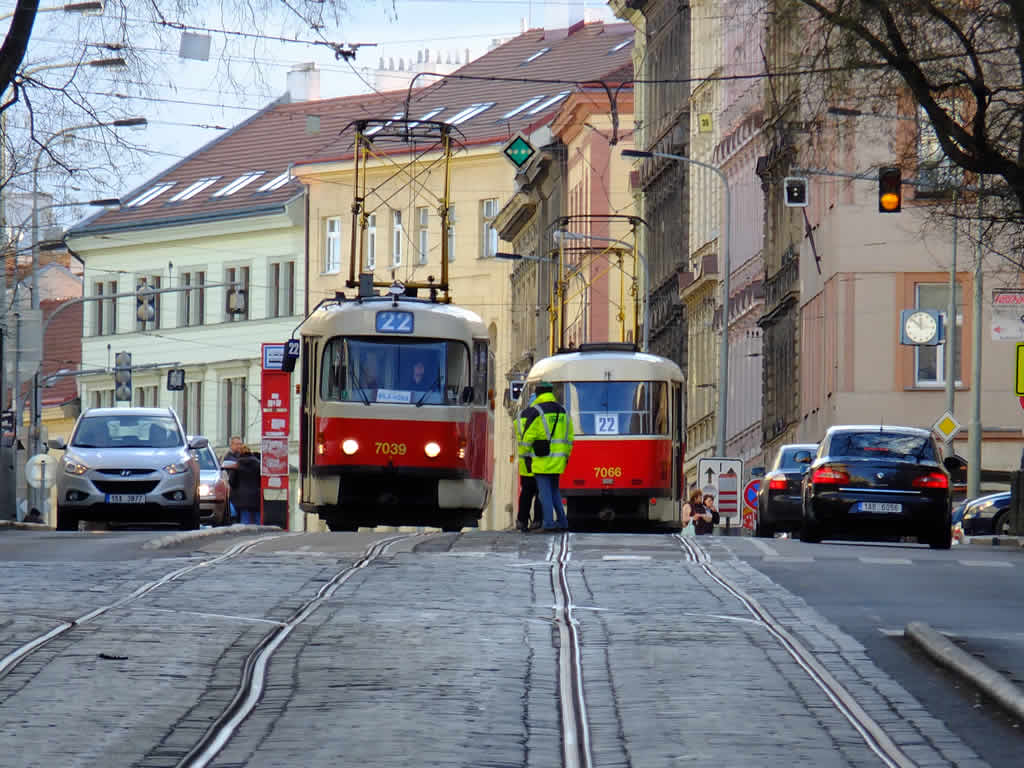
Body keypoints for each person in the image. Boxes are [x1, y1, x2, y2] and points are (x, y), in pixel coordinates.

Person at [521, 381, 574, 532]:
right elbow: (569, 436)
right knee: (555, 491)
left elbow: (527, 438)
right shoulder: (562, 411)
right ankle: (562, 522)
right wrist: (566, 456)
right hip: (558, 461)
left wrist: (525, 456)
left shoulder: (536, 411)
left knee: (544, 494)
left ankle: (549, 523)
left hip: (542, 460)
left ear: (538, 394)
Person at [515, 393, 544, 532]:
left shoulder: (520, 416)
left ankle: (521, 521)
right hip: (539, 461)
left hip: (524, 463)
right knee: (540, 493)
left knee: (526, 493)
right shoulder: (540, 416)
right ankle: (537, 521)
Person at [226, 443, 261, 525]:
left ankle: (246, 535)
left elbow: (231, 481)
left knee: (245, 518)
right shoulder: (258, 464)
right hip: (256, 495)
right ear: (250, 452)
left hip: (241, 496)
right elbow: (260, 479)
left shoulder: (236, 465)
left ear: (240, 453)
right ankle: (260, 533)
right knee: (257, 518)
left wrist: (236, 489)